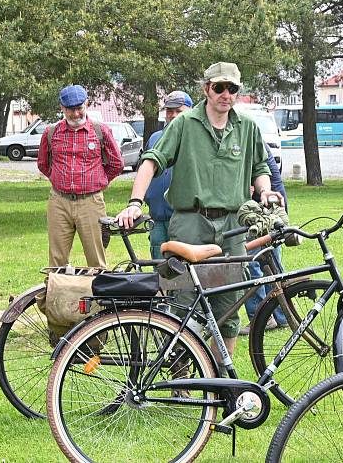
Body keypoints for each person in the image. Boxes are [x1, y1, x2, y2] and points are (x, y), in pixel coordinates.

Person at [117, 61, 283, 360]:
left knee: (228, 308)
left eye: (232, 88)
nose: (226, 94)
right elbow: (151, 161)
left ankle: (223, 382)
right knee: (181, 306)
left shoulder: (247, 127)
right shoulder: (184, 124)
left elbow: (259, 166)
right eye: (219, 87)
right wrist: (134, 203)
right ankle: (181, 384)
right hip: (189, 223)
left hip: (233, 228)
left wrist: (266, 189)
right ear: (206, 89)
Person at [37, 85, 124, 268]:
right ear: (62, 108)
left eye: (79, 108)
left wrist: (99, 182)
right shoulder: (51, 132)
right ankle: (57, 296)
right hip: (59, 202)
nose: (76, 114)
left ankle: (97, 296)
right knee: (56, 261)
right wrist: (60, 180)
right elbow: (43, 164)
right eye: (70, 109)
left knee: (96, 260)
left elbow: (117, 164)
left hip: (91, 202)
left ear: (87, 104)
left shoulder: (100, 131)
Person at [239, 143, 288, 335]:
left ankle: (262, 318)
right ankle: (281, 315)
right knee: (271, 265)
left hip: (263, 212)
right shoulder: (258, 144)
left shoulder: (249, 144)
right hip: (270, 210)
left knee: (254, 265)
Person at [144, 90, 193, 259]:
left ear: (190, 111)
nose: (173, 115)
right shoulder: (155, 137)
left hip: (183, 218)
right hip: (157, 216)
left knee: (183, 268)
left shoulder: (194, 138)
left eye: (178, 111)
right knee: (158, 267)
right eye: (169, 111)